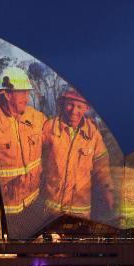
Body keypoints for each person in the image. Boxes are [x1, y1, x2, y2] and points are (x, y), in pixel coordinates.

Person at [40, 88, 114, 219]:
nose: (74, 111)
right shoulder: (49, 128)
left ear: (86, 108)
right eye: (70, 105)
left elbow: (103, 171)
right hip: (51, 210)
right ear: (63, 104)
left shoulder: (93, 135)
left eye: (79, 106)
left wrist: (110, 199)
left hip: (79, 211)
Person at [0, 67, 45, 216]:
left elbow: (55, 134)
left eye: (28, 93)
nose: (27, 99)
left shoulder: (35, 117)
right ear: (8, 94)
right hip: (5, 211)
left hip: (33, 201)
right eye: (23, 93)